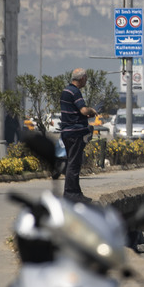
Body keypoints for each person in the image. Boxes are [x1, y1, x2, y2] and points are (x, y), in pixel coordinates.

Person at [59, 68, 98, 203]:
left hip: (67, 132)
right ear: (82, 79)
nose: (86, 81)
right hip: (75, 132)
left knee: (73, 162)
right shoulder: (75, 92)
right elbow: (83, 110)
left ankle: (76, 193)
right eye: (86, 79)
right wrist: (92, 110)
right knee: (74, 164)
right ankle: (71, 193)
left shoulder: (66, 91)